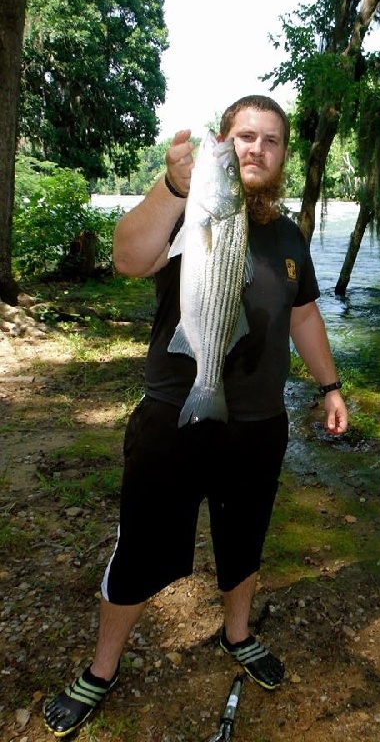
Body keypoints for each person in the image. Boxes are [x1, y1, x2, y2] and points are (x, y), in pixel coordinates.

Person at [42, 94, 348, 737]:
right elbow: (128, 258)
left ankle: (238, 634)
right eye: (243, 136)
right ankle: (101, 669)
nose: (255, 148)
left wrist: (330, 386)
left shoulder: (291, 235)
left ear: (283, 156)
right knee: (142, 547)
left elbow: (303, 315)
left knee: (245, 540)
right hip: (172, 416)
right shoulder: (192, 208)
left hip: (259, 424)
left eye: (270, 140)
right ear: (226, 149)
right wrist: (172, 186)